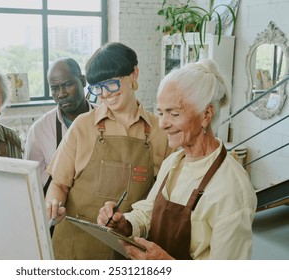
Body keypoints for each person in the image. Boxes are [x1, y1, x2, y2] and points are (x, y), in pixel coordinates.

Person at [97, 58, 257, 260]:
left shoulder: (232, 189)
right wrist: (125, 223)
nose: (163, 124)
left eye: (174, 113)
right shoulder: (174, 162)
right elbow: (149, 212)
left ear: (206, 114)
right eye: (161, 112)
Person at [45, 42, 172, 259]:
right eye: (97, 87)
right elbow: (58, 184)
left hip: (128, 251)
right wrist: (53, 206)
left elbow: (162, 201)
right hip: (76, 249)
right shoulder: (82, 126)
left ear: (134, 74)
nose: (105, 94)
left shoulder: (161, 133)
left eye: (112, 84)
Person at [23, 58, 95, 193]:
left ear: (83, 81)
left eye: (68, 84)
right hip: (58, 209)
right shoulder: (39, 131)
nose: (62, 94)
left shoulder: (106, 120)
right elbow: (34, 184)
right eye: (55, 89)